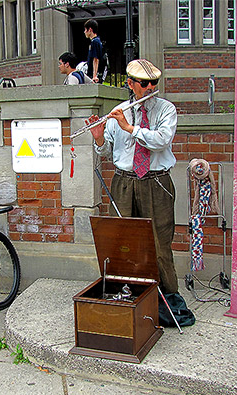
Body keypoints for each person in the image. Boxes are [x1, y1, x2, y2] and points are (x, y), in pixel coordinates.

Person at [87, 59, 179, 294]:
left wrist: (130, 128)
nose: (150, 87)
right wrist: (99, 138)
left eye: (154, 83)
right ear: (130, 83)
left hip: (156, 182)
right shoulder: (118, 111)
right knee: (122, 240)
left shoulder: (166, 109)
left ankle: (168, 296)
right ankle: (127, 290)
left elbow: (161, 140)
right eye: (145, 83)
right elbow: (107, 151)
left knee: (159, 243)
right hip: (124, 182)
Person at [83, 19, 103, 83]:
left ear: (90, 30)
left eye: (86, 30)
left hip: (93, 75)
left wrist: (94, 76)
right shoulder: (97, 41)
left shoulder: (95, 42)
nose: (84, 32)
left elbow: (95, 59)